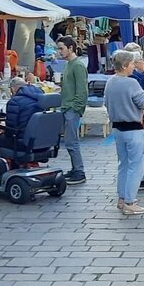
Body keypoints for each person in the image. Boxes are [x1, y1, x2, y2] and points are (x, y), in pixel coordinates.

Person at [105, 51, 144, 216]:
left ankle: (122, 198)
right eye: (131, 63)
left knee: (123, 164)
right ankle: (130, 201)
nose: (133, 66)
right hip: (133, 129)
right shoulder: (131, 83)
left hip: (117, 129)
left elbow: (106, 103)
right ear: (124, 66)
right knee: (135, 166)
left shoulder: (110, 82)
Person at [0, 77, 43, 176]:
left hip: (23, 143)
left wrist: (2, 131)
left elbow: (11, 128)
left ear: (12, 89)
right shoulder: (40, 98)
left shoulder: (15, 101)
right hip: (41, 142)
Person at [57, 35, 88, 185]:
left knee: (72, 141)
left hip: (71, 109)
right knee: (70, 141)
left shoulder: (77, 66)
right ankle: (75, 168)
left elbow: (82, 91)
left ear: (71, 48)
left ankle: (79, 171)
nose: (59, 52)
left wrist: (75, 108)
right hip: (67, 107)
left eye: (61, 48)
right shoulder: (69, 64)